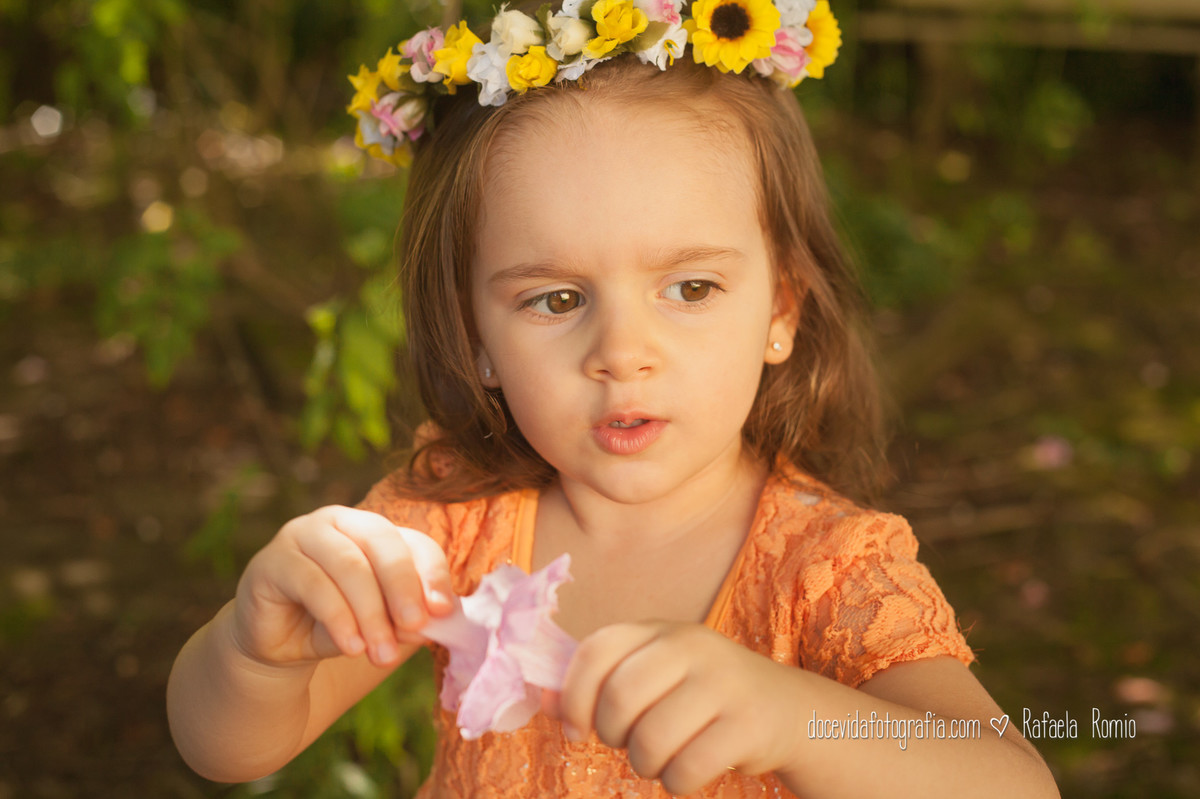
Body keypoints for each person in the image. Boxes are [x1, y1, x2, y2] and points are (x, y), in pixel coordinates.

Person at [168, 1, 1060, 796]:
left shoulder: (825, 570)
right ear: (474, 334)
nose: (623, 355)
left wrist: (794, 715)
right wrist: (256, 650)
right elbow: (230, 748)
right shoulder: (454, 524)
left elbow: (1011, 781)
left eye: (692, 288)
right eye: (556, 299)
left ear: (781, 308)